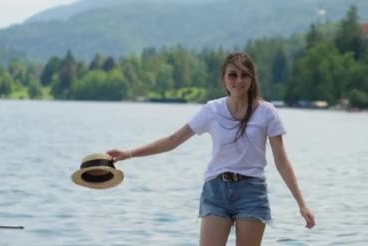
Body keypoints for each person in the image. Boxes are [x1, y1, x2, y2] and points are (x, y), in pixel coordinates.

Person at [107, 52, 315, 245]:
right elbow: (173, 140)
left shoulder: (266, 112)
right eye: (233, 75)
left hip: (252, 191)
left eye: (245, 75)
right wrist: (129, 153)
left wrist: (301, 204)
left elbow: (282, 161)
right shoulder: (212, 110)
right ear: (224, 78)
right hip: (216, 190)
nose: (239, 80)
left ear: (252, 80)